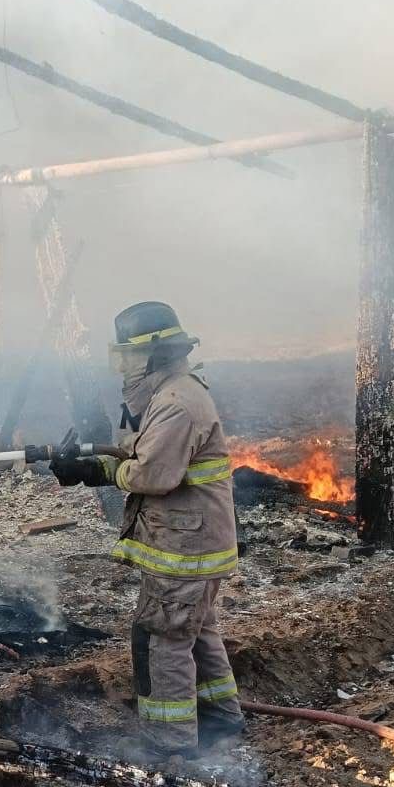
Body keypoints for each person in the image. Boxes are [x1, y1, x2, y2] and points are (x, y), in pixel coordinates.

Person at [48, 301, 242, 754]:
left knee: (162, 639)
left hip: (185, 549)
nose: (125, 368)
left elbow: (153, 474)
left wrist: (101, 474)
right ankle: (221, 719)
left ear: (155, 354)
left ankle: (169, 742)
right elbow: (135, 453)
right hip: (194, 546)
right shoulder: (168, 394)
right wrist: (86, 467)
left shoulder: (176, 403)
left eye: (131, 357)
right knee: (195, 632)